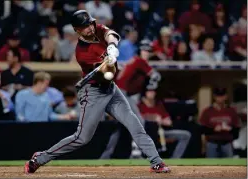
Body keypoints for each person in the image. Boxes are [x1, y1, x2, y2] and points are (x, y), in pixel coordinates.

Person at [24, 10, 170, 174]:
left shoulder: (97, 28)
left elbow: (111, 34)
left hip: (111, 90)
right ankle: (41, 158)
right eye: (85, 27)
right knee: (82, 138)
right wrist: (108, 63)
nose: (90, 28)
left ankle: (156, 162)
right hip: (93, 91)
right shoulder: (82, 53)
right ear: (77, 30)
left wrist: (112, 48)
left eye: (90, 24)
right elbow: (105, 75)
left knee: (134, 124)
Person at [100, 39, 162, 159]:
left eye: (148, 51)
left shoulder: (134, 61)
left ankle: (105, 156)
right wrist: (153, 83)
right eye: (144, 50)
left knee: (120, 126)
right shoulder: (140, 61)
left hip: (117, 93)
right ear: (140, 51)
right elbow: (155, 76)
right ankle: (136, 153)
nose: (146, 53)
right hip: (121, 93)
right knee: (139, 121)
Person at [138, 88, 191, 158]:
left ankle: (174, 160)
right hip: (145, 134)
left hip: (160, 132)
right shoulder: (139, 105)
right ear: (145, 93)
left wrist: (162, 121)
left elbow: (168, 121)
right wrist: (152, 118)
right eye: (149, 91)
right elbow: (138, 119)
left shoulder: (158, 104)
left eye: (153, 91)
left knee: (186, 135)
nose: (152, 93)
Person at [199, 87, 241, 158]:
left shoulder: (231, 111)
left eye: (222, 96)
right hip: (212, 143)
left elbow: (237, 130)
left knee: (229, 167)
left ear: (226, 96)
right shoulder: (207, 111)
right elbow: (202, 129)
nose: (220, 98)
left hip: (227, 144)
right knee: (212, 167)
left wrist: (230, 129)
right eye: (218, 96)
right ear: (214, 97)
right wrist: (213, 130)